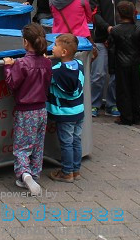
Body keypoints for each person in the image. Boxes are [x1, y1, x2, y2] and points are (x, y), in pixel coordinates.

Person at [2, 23, 52, 196]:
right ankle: (35, 174)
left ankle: (24, 174)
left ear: (25, 42)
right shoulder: (47, 63)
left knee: (22, 147)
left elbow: (12, 84)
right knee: (38, 144)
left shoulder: (22, 64)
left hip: (25, 111)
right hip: (41, 110)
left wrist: (8, 66)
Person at [47, 33, 85, 182]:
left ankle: (66, 172)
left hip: (64, 114)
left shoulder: (56, 71)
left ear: (64, 52)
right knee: (76, 140)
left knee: (66, 143)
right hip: (78, 111)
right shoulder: (79, 65)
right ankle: (76, 170)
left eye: (55, 45)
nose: (52, 47)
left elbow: (45, 79)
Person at [107, 0, 140, 126]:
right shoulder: (138, 29)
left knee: (123, 91)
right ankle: (136, 116)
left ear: (119, 14)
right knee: (135, 90)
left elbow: (112, 50)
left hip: (121, 64)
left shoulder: (115, 30)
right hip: (135, 63)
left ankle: (126, 116)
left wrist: (111, 67)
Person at [88, 0, 120, 118]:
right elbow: (95, 15)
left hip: (118, 39)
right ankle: (94, 103)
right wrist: (107, 28)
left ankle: (111, 104)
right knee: (98, 74)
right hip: (101, 38)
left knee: (115, 74)